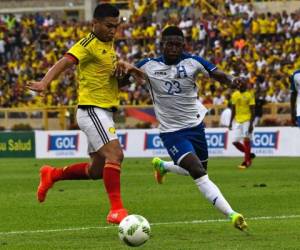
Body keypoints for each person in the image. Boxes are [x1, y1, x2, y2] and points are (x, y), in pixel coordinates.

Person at [116, 26, 248, 231]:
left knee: (197, 169)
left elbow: (218, 74)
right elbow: (120, 83)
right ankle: (232, 214)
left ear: (183, 45)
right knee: (197, 171)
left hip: (195, 127)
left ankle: (163, 166)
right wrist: (123, 70)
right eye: (170, 43)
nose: (174, 48)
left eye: (178, 44)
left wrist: (232, 81)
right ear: (162, 45)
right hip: (171, 132)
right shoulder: (148, 66)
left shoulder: (193, 62)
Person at [26, 3, 139, 224]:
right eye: (108, 26)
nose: (112, 30)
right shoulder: (87, 44)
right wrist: (44, 82)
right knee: (116, 155)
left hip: (105, 111)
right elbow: (65, 61)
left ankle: (52, 174)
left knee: (97, 170)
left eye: (116, 26)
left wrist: (125, 76)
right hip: (91, 110)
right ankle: (116, 210)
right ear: (94, 23)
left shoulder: (109, 43)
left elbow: (114, 82)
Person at [229, 80, 256, 169]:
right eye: (238, 85)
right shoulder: (234, 95)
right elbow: (233, 109)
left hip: (247, 120)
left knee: (246, 140)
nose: (239, 86)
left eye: (240, 85)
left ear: (245, 86)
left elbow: (253, 111)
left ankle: (246, 161)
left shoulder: (249, 95)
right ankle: (249, 155)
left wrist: (251, 124)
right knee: (235, 142)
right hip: (238, 120)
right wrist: (230, 122)